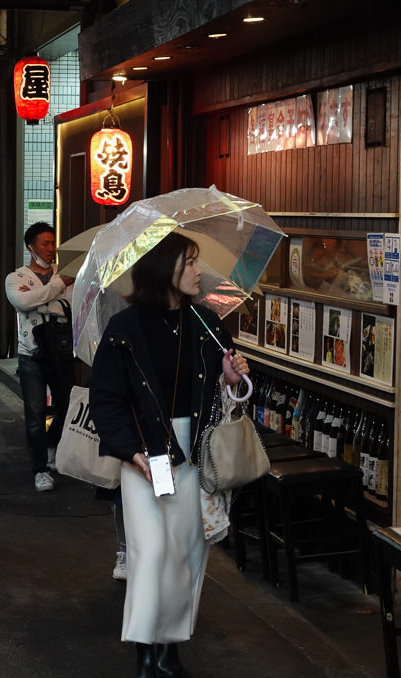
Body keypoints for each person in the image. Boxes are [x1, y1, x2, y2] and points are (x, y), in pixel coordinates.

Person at [88, 232, 250, 678]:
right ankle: (144, 650)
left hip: (193, 451)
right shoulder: (125, 327)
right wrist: (130, 451)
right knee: (151, 551)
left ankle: (170, 647)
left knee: (186, 552)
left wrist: (231, 379)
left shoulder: (208, 324)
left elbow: (219, 400)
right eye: (191, 262)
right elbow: (107, 398)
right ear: (166, 269)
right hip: (145, 452)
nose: (199, 271)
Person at [4, 221, 75, 492]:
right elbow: (22, 302)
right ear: (31, 247)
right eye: (44, 244)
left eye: (52, 243)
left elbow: (70, 304)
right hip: (31, 353)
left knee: (66, 406)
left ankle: (49, 445)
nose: (50, 248)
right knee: (34, 411)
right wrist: (55, 288)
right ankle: (40, 469)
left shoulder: (65, 273)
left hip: (61, 349)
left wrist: (40, 298)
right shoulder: (16, 277)